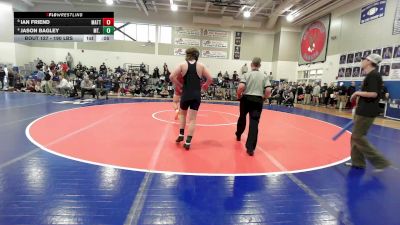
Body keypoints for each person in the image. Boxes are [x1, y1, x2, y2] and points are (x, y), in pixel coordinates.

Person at [346, 53, 391, 171]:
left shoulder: (373, 75)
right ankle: (358, 162)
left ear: (370, 62)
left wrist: (356, 93)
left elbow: (374, 94)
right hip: (362, 110)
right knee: (355, 137)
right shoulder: (370, 75)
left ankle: (380, 162)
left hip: (367, 111)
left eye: (364, 60)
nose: (362, 62)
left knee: (358, 136)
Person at [170, 47, 213, 150]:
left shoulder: (182, 65)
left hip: (186, 94)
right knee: (192, 119)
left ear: (187, 54)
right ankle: (188, 142)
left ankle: (181, 134)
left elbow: (171, 76)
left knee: (183, 115)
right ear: (197, 55)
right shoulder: (201, 66)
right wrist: (205, 85)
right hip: (196, 95)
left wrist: (179, 84)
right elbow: (210, 78)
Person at [235, 57, 272, 156]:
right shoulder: (264, 76)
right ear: (259, 65)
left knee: (242, 117)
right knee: (254, 123)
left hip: (246, 99)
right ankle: (250, 148)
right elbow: (268, 90)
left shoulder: (246, 74)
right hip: (257, 100)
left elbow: (241, 87)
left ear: (251, 65)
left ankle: (238, 134)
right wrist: (264, 97)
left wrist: (239, 95)